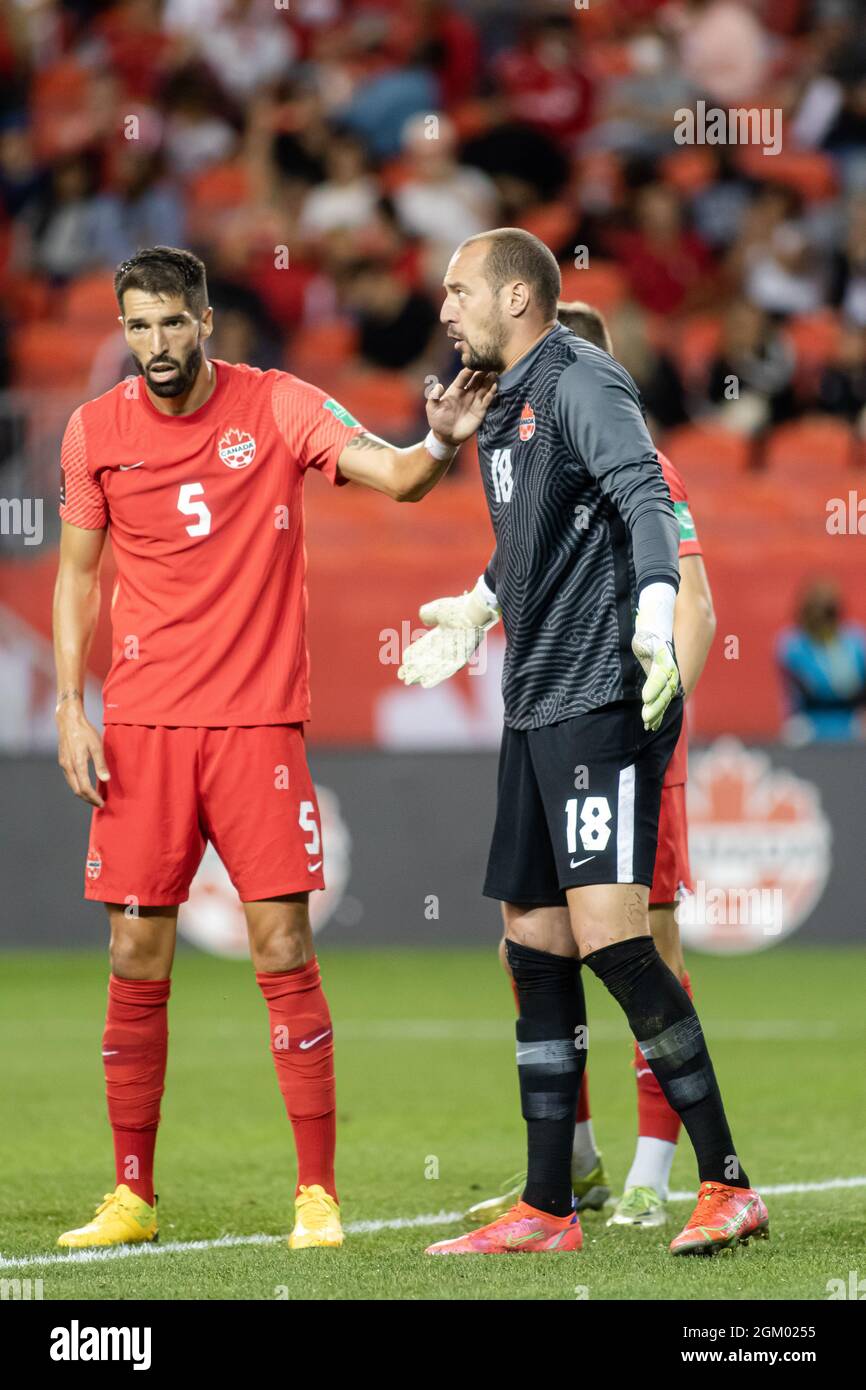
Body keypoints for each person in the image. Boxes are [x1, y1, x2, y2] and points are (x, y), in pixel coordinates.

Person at [52, 244, 496, 1252]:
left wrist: (434, 446)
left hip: (254, 728)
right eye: (138, 327)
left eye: (173, 323)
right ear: (122, 332)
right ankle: (130, 1195)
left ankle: (315, 1193)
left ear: (207, 321)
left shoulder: (277, 404)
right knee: (133, 949)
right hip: (144, 729)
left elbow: (395, 479)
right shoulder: (94, 432)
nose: (157, 345)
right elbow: (78, 574)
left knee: (284, 947)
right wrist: (74, 713)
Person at [399, 228, 767, 1257]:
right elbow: (530, 540)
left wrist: (654, 607)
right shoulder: (503, 403)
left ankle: (725, 1182)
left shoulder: (579, 374)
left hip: (598, 694)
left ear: (518, 297)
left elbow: (643, 494)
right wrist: (477, 609)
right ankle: (548, 1203)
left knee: (612, 934)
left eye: (458, 289)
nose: (443, 308)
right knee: (532, 938)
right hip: (532, 702)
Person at [777, 580, 866, 743]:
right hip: (809, 721)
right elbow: (814, 687)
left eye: (827, 614)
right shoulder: (792, 645)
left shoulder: (856, 642)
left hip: (850, 720)